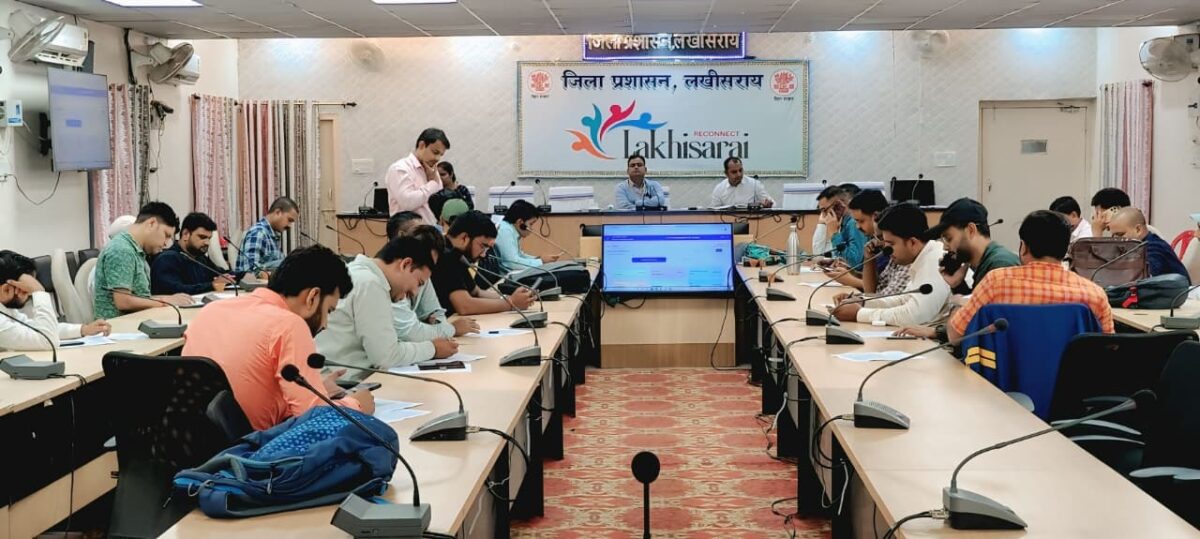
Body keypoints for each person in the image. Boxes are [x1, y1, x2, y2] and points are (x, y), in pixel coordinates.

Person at [182, 245, 373, 431]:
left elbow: (249, 391)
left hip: (197, 443)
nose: (325, 324)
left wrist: (318, 392)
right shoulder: (289, 325)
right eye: (328, 311)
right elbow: (315, 422)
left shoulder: (210, 311)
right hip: (256, 447)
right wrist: (355, 405)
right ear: (312, 297)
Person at [898, 211, 1114, 342]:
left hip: (1003, 390)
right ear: (1066, 248)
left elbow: (955, 336)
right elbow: (1107, 348)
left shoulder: (996, 282)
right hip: (1068, 396)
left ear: (1023, 247)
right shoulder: (1094, 294)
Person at [316, 236, 456, 381]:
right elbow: (387, 356)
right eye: (419, 283)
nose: (415, 292)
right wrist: (432, 349)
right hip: (348, 384)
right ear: (405, 264)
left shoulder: (363, 275)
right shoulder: (370, 284)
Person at [831, 203, 950, 327]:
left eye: (891, 244)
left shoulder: (935, 261)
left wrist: (859, 314)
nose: (886, 250)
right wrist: (863, 302)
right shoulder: (924, 256)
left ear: (912, 243)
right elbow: (902, 299)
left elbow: (914, 316)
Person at [386, 212, 479, 346]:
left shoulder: (421, 267)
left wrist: (438, 326)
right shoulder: (389, 276)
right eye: (419, 231)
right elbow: (410, 332)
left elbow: (435, 311)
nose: (425, 236)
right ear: (402, 236)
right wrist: (449, 330)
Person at [93, 202, 193, 319]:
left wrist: (170, 299)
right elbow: (123, 302)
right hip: (118, 327)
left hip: (133, 322)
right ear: (151, 223)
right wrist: (165, 301)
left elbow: (140, 297)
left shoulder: (135, 250)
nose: (166, 243)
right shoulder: (122, 250)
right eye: (166, 235)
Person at [432, 210, 536, 316]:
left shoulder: (456, 253)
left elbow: (476, 292)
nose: (483, 255)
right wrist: (511, 304)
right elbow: (465, 306)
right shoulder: (446, 256)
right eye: (483, 246)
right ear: (464, 238)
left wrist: (511, 298)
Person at [0, 251, 110, 350]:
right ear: (6, 289)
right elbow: (47, 340)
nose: (29, 294)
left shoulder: (6, 311)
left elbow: (36, 328)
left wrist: (84, 329)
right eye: (27, 289)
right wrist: (39, 291)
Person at [926, 198, 1019, 295]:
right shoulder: (984, 265)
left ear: (971, 230)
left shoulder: (1001, 265)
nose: (945, 247)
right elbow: (977, 302)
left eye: (949, 238)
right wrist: (958, 285)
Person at [830, 191, 910, 295]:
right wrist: (853, 271)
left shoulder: (896, 248)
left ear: (875, 216)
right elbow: (877, 287)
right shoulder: (875, 243)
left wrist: (852, 280)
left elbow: (880, 294)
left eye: (861, 221)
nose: (857, 227)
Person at [151, 212, 236, 295]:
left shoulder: (200, 258)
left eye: (209, 238)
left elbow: (222, 274)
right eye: (202, 237)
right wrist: (212, 285)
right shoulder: (167, 258)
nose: (207, 243)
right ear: (186, 234)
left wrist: (241, 275)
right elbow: (176, 290)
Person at [1106, 207, 1190, 282]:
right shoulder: (1135, 246)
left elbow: (1146, 276)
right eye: (1114, 236)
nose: (1116, 240)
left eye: (1120, 235)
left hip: (1175, 293)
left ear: (1138, 229)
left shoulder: (1155, 247)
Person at [385, 128, 451, 223]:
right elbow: (407, 203)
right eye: (435, 152)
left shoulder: (433, 171)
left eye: (441, 155)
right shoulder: (400, 168)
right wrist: (432, 184)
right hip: (408, 230)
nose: (437, 158)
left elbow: (439, 204)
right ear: (422, 145)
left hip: (433, 229)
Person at [236, 196, 298, 275]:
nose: (289, 225)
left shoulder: (272, 235)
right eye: (289, 220)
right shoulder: (259, 233)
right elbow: (250, 272)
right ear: (278, 212)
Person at [495, 200, 558, 273]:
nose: (531, 228)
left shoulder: (511, 229)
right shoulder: (505, 230)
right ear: (520, 222)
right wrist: (541, 262)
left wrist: (537, 259)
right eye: (531, 224)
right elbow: (513, 263)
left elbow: (519, 255)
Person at [812, 185, 867, 269]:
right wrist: (834, 261)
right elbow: (846, 257)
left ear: (838, 204)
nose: (823, 216)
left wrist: (834, 234)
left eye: (824, 210)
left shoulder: (853, 223)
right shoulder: (845, 223)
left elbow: (854, 264)